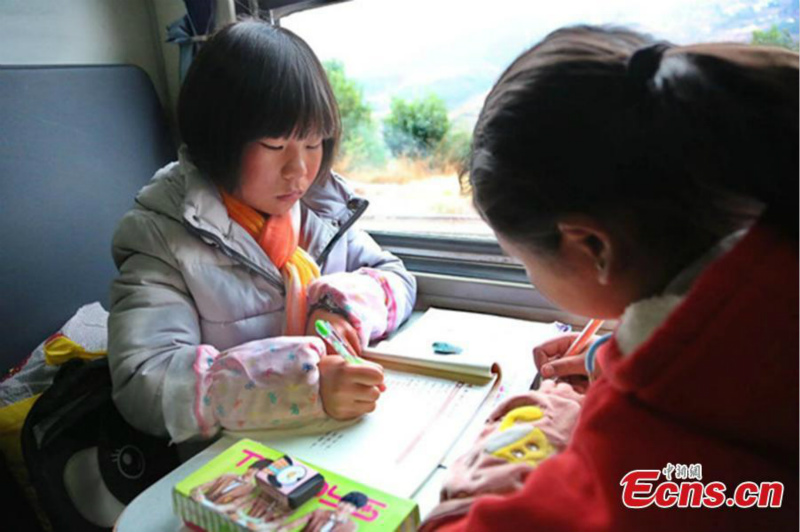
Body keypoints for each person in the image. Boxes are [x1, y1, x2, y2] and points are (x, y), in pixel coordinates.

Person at [422, 25, 798, 531]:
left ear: (592, 247)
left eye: (522, 262)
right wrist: (607, 359)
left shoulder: (654, 426)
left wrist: (513, 449)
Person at [107, 20, 415, 444]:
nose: (300, 170)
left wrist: (339, 309)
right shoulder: (161, 236)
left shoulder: (317, 213)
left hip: (325, 440)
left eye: (313, 144)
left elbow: (396, 278)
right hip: (230, 459)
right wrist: (302, 383)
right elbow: (146, 381)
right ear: (219, 139)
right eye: (275, 146)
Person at [276, 490, 368, 532]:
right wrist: (283, 529)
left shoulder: (351, 526)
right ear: (339, 502)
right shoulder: (320, 512)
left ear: (356, 510)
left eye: (351, 506)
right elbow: (297, 522)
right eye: (344, 502)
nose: (345, 507)